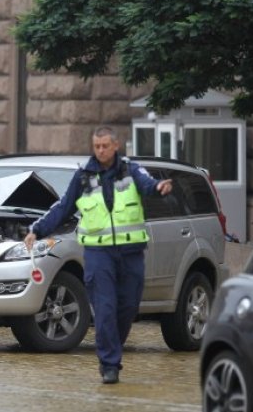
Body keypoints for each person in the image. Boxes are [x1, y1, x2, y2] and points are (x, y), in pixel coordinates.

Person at [23, 126, 172, 384]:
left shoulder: (131, 170)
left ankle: (112, 349)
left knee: (127, 308)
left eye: (105, 146)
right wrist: (37, 229)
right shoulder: (83, 176)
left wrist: (159, 187)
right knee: (104, 309)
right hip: (98, 253)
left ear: (116, 145)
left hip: (131, 252)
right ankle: (110, 363)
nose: (100, 150)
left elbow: (148, 185)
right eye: (97, 146)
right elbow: (63, 207)